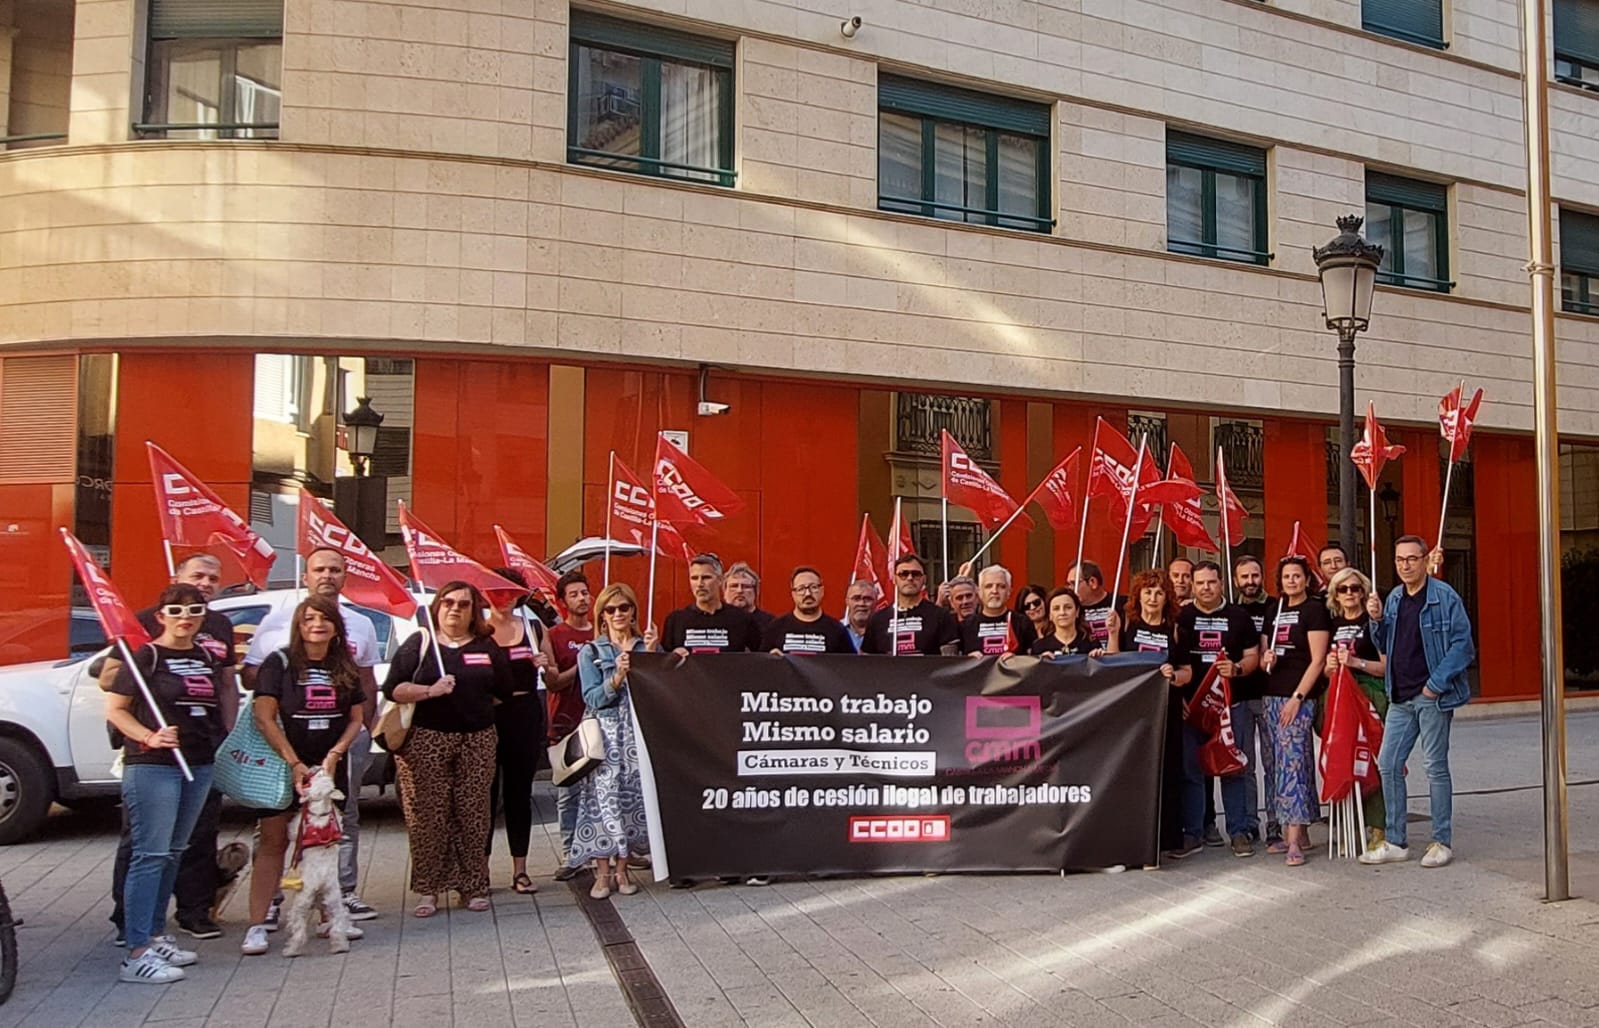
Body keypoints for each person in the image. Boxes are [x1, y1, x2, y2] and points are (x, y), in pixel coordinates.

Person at [99, 553, 239, 944]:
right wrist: (147, 733)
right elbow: (112, 692)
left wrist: (225, 732)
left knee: (187, 842)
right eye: (198, 576)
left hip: (201, 755)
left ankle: (179, 921)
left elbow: (226, 686)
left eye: (212, 578)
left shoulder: (215, 636)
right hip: (153, 759)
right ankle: (132, 930)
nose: (205, 584)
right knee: (146, 848)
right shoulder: (145, 637)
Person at [242, 546, 382, 925]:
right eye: (320, 569)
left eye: (335, 569)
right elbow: (249, 676)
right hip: (284, 746)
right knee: (274, 826)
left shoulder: (361, 624)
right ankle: (271, 901)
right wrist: (289, 676)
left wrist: (363, 730)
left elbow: (366, 681)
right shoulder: (277, 623)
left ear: (345, 576)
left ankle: (341, 896)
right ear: (306, 576)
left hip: (340, 742)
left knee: (339, 820)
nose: (327, 576)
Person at [383, 582, 512, 917]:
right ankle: (429, 888)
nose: (455, 609)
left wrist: (472, 708)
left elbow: (504, 691)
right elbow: (393, 688)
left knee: (474, 814)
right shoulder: (420, 643)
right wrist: (430, 691)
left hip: (477, 739)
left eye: (463, 604)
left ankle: (473, 885)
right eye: (448, 602)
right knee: (428, 816)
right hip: (427, 739)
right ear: (437, 607)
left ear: (473, 611)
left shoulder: (486, 646)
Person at [1360, 536, 1475, 869]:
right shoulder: (1395, 598)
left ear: (1426, 560)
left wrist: (1435, 686)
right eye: (1400, 559)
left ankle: (1441, 841)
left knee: (1434, 767)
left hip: (1430, 697)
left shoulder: (1444, 596)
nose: (1405, 565)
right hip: (1400, 696)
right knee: (1388, 764)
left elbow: (1463, 645)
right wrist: (1376, 620)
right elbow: (1385, 644)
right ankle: (1396, 840)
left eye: (1412, 558)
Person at [569, 584, 654, 899]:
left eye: (624, 607)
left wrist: (655, 657)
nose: (618, 614)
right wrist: (616, 677)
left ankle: (622, 870)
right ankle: (602, 874)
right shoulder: (591, 652)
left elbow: (660, 692)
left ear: (633, 611)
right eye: (611, 609)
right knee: (601, 803)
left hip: (637, 735)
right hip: (606, 737)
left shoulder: (646, 646)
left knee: (632, 802)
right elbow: (592, 698)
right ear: (602, 615)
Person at [1175, 561, 1261, 858]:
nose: (1206, 588)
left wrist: (1236, 669)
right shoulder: (1182, 616)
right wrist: (1179, 697)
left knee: (1232, 767)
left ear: (1221, 583)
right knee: (1192, 770)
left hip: (1229, 707)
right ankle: (1193, 833)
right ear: (1193, 585)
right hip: (1192, 708)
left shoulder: (1239, 616)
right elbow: (1173, 659)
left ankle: (1238, 832)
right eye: (1200, 583)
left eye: (1211, 582)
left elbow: (1252, 656)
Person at [1106, 569, 1191, 858]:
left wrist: (1173, 676)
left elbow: (1187, 672)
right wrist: (1112, 634)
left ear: (1167, 597)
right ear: (1138, 596)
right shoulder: (1128, 625)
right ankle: (1132, 836)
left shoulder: (1176, 630)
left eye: (1159, 592)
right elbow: (1113, 664)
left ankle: (1166, 840)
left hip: (1166, 710)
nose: (1153, 598)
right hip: (1133, 712)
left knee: (1167, 773)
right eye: (1147, 592)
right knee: (1133, 773)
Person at [486, 568, 554, 896]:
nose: (502, 599)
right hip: (487, 716)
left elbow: (553, 675)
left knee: (519, 794)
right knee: (483, 796)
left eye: (509, 592)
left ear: (519, 595)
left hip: (524, 712)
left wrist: (545, 664)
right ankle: (479, 870)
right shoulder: (478, 631)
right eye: (495, 591)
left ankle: (520, 870)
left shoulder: (533, 627)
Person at [1259, 556, 1331, 867]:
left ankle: (1292, 840)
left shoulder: (1314, 610)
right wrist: (1267, 658)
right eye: (1286, 576)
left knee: (1293, 765)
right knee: (1278, 764)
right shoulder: (1273, 609)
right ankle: (1300, 832)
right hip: (1271, 695)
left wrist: (1298, 697)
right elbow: (1263, 655)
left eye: (1297, 576)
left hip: (1297, 697)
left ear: (1306, 579)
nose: (1291, 581)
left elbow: (1318, 660)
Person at [1323, 566, 1388, 851]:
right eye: (1343, 589)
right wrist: (1330, 666)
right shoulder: (1333, 624)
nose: (1349, 593)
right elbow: (1325, 669)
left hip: (1369, 693)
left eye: (1355, 588)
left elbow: (1386, 667)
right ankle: (1350, 824)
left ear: (1363, 592)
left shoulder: (1373, 623)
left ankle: (1379, 825)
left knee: (1372, 759)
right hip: (1340, 696)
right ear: (1335, 595)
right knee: (1344, 758)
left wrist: (1355, 663)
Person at [546, 571, 595, 881]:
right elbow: (553, 681)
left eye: (585, 592)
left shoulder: (602, 631)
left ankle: (614, 849)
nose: (582, 599)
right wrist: (583, 663)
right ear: (563, 601)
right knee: (569, 793)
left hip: (599, 721)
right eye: (574, 594)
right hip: (566, 723)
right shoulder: (554, 635)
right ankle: (571, 853)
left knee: (604, 791)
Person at [1233, 554, 1279, 849]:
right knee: (1244, 764)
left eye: (1255, 575)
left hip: (1270, 693)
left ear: (1262, 577)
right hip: (1239, 695)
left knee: (1272, 763)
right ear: (1236, 580)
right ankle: (1250, 822)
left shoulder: (1276, 606)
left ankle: (1275, 822)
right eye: (1245, 577)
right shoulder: (1231, 610)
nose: (1250, 581)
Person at [861, 554, 959, 656]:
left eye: (916, 574)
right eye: (903, 574)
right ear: (894, 579)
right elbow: (867, 660)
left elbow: (949, 660)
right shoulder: (877, 620)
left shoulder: (941, 616)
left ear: (924, 579)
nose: (910, 578)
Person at [662, 555, 760, 654]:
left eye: (706, 578)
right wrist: (672, 655)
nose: (700, 584)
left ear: (720, 580)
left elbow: (762, 657)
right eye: (694, 578)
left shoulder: (741, 619)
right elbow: (662, 661)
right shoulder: (676, 621)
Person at [764, 567, 855, 654]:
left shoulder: (837, 630)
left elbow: (850, 663)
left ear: (822, 591)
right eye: (801, 589)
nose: (808, 593)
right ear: (793, 594)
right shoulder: (776, 628)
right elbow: (761, 661)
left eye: (813, 587)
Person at [958, 565, 1036, 656]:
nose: (994, 591)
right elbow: (954, 661)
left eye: (1001, 586)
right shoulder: (965, 627)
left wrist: (1017, 660)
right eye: (988, 586)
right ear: (979, 592)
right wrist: (967, 660)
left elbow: (1034, 659)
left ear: (1009, 592)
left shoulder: (1023, 623)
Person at [1067, 561, 1126, 648]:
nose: (1070, 589)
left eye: (1074, 584)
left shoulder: (1122, 604)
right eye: (1069, 584)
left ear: (1093, 582)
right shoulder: (1072, 609)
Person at [1028, 588, 1095, 657]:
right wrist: (1041, 661)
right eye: (1056, 608)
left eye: (1068, 607)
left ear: (1077, 611)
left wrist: (1098, 656)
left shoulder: (1091, 643)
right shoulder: (1039, 647)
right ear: (1050, 615)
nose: (1062, 612)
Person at [723, 561, 775, 635]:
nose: (740, 591)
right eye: (734, 586)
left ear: (756, 592)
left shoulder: (771, 624)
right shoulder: (716, 621)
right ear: (724, 591)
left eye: (746, 586)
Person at [842, 579, 879, 653]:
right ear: (847, 602)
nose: (861, 603)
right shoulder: (836, 630)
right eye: (856, 598)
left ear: (876, 602)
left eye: (868, 599)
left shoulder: (884, 631)